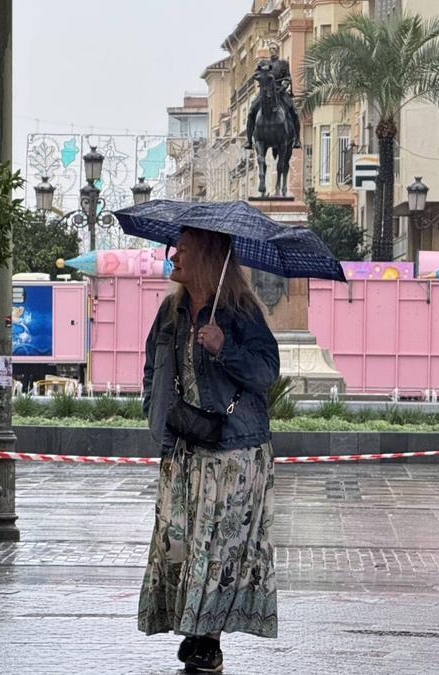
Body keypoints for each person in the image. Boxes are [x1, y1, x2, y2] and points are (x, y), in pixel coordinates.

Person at [137, 227, 279, 673]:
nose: (174, 255)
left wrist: (225, 347)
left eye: (184, 248)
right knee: (180, 542)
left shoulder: (241, 312)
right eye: (174, 247)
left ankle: (207, 638)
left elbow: (266, 372)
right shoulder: (170, 312)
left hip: (234, 452)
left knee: (218, 545)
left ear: (208, 256)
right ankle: (195, 626)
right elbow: (151, 371)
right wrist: (154, 414)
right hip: (183, 446)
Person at [245, 44, 302, 150]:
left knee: (294, 111)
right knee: (251, 111)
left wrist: (284, 85)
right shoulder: (262, 63)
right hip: (264, 91)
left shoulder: (283, 63)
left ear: (278, 51)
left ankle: (297, 139)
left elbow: (288, 77)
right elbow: (255, 75)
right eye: (271, 49)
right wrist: (262, 77)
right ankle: (248, 140)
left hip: (279, 91)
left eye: (274, 49)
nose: (272, 51)